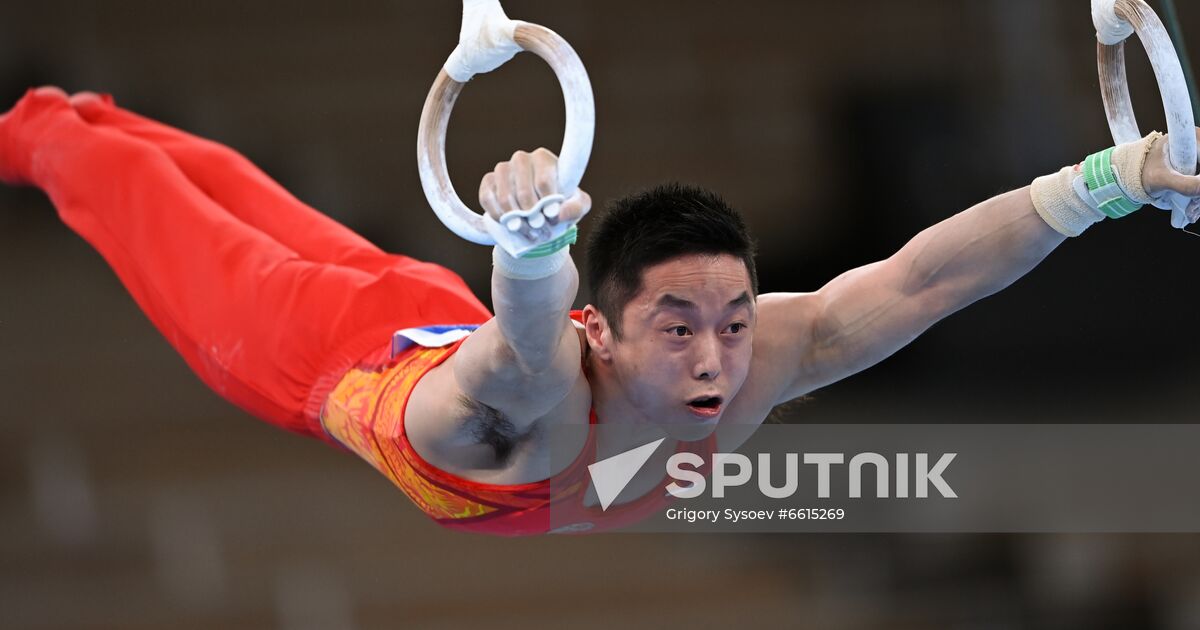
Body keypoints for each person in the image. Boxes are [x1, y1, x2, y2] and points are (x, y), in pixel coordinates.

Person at [3, 86, 1199, 536]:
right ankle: (34, 125)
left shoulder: (766, 355)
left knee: (200, 166)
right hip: (302, 357)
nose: (719, 356)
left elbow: (926, 277)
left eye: (733, 318)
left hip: (409, 310)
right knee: (102, 175)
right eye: (676, 326)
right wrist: (529, 247)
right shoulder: (530, 401)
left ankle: (89, 111)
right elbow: (521, 331)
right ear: (598, 331)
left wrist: (1094, 186)